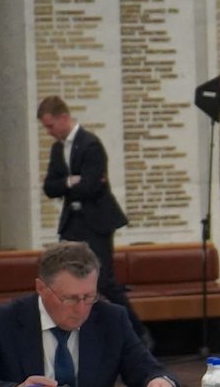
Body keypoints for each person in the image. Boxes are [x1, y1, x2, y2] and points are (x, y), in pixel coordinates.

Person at [0, 242, 178, 387]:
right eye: (70, 298)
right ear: (41, 288)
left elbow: (146, 368)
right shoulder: (0, 322)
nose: (81, 309)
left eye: (89, 297)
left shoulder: (111, 319)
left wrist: (159, 382)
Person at [37, 96, 147, 345]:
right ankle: (73, 336)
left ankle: (138, 334)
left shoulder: (90, 144)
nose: (48, 131)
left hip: (96, 222)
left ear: (63, 117)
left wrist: (69, 184)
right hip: (72, 222)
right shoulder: (57, 149)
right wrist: (70, 181)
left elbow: (91, 187)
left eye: (50, 126)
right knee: (65, 277)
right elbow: (49, 188)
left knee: (103, 280)